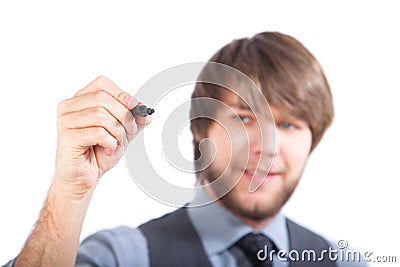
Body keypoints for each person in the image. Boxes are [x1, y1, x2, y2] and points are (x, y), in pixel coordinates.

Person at [2, 31, 367, 267]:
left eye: (288, 125)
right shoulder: (126, 257)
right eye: (243, 118)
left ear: (312, 139)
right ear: (200, 128)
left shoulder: (344, 263)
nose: (266, 147)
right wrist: (70, 192)